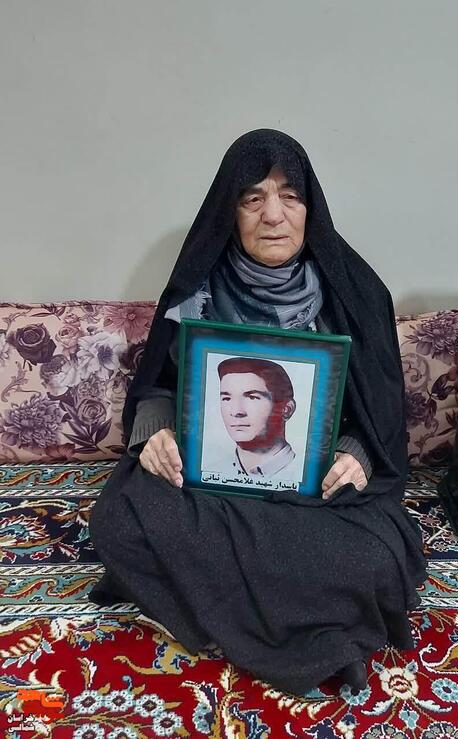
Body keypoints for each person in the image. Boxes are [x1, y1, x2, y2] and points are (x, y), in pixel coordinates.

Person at [89, 129, 427, 695]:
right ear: (231, 211)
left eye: (290, 196)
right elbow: (159, 386)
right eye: (253, 198)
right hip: (212, 486)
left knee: (376, 559)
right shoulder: (197, 289)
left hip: (312, 489)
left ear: (310, 208)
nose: (273, 215)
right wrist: (156, 431)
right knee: (117, 523)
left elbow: (380, 410)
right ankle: (298, 620)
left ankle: (224, 611)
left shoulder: (358, 294)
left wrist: (357, 453)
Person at [213, 357, 298, 480]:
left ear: (287, 409)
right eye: (227, 398)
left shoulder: (310, 477)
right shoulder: (210, 472)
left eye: (252, 397)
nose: (236, 412)